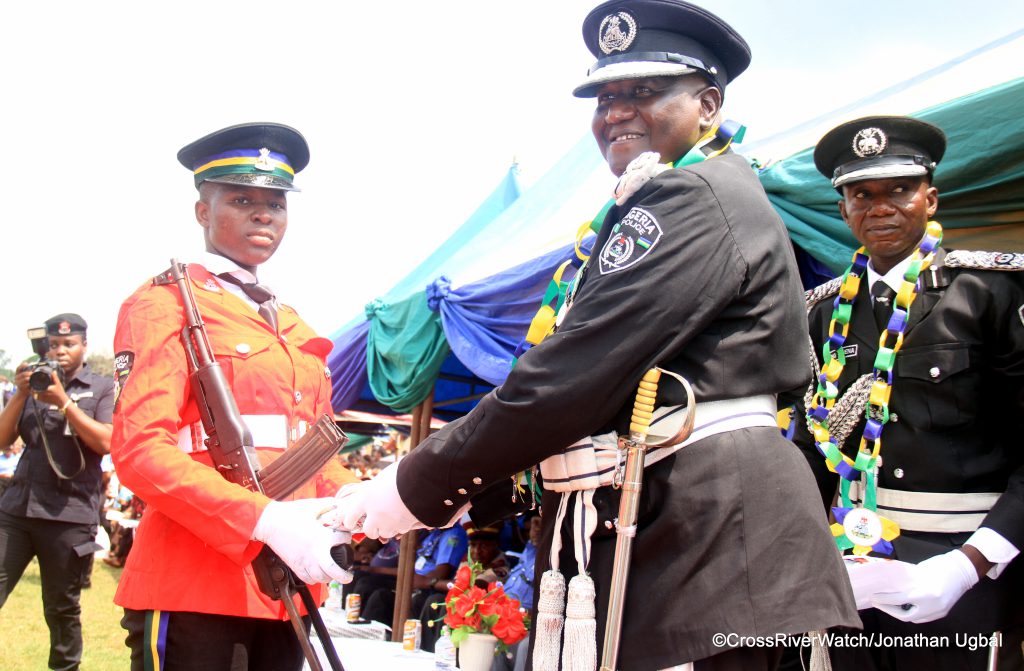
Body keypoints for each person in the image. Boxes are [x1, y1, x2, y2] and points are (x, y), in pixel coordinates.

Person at [332, 1, 859, 669]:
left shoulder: (692, 196)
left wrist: (414, 484)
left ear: (709, 104)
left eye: (643, 92)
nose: (615, 113)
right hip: (697, 535)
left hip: (716, 541)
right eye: (605, 97)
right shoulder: (679, 194)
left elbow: (570, 376)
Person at [110, 122, 358, 671]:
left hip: (285, 588)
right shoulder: (166, 303)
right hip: (194, 581)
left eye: (276, 202)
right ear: (203, 211)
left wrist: (367, 501)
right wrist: (264, 520)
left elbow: (314, 451)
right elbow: (140, 452)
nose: (263, 213)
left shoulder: (292, 323)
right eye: (242, 199)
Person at [790, 115, 1024, 670]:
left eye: (899, 189)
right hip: (849, 573)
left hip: (966, 573)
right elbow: (811, 448)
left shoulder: (989, 294)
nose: (880, 206)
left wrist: (970, 564)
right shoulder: (821, 314)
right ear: (843, 210)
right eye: (860, 194)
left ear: (932, 198)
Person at [0, 313, 114, 671]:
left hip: (69, 514)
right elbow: (3, 441)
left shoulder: (101, 386)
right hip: (18, 509)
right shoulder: (32, 384)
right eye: (53, 345)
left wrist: (64, 401)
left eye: (69, 344)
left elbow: (106, 441)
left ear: (84, 346)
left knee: (62, 609)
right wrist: (21, 393)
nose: (61, 351)